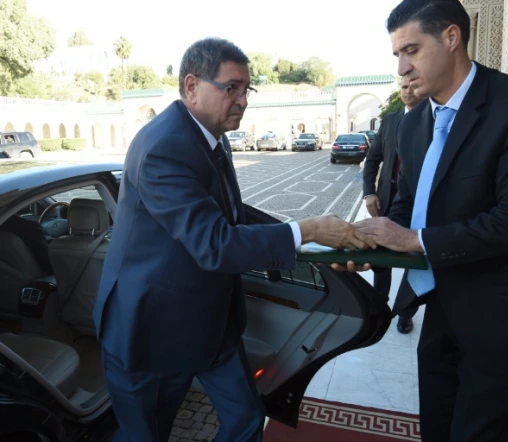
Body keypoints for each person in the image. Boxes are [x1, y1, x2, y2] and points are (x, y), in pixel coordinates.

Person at [341, 1, 508, 440]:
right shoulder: (412, 125)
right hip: (442, 309)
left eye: (411, 50)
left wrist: (412, 240)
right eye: (396, 56)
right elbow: (408, 204)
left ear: (451, 37)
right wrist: (369, 240)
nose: (402, 68)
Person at [92, 37, 374, 442]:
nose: (243, 100)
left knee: (244, 420)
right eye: (231, 88)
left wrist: (317, 244)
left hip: (210, 321)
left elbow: (235, 219)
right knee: (145, 434)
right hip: (150, 330)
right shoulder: (163, 147)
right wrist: (306, 230)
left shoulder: (212, 136)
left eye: (247, 89)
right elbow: (216, 243)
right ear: (192, 87)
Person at [362, 76, 425, 334]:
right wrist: (370, 193)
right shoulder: (390, 121)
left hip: (419, 200)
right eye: (403, 87)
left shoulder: (433, 120)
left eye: (412, 86)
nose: (407, 91)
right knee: (382, 252)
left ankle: (405, 312)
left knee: (414, 255)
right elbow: (372, 159)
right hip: (389, 196)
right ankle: (379, 305)